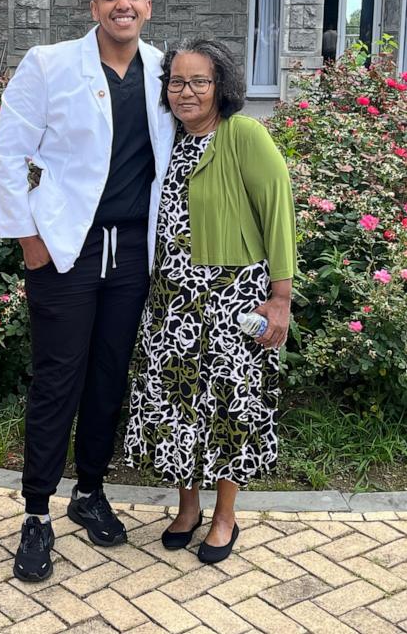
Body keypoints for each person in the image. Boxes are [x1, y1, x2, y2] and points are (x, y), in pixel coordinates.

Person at [0, 0, 175, 582]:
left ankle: (89, 492)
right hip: (66, 249)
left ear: (148, 6)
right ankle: (37, 514)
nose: (122, 4)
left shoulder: (162, 71)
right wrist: (29, 241)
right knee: (57, 380)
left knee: (107, 376)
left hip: (132, 252)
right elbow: (8, 153)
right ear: (92, 6)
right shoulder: (49, 64)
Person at [123, 38, 296, 564]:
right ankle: (187, 506)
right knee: (176, 406)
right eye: (176, 81)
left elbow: (278, 213)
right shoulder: (167, 138)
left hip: (231, 299)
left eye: (199, 81)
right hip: (173, 302)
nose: (186, 92)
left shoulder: (242, 134)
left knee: (227, 408)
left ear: (221, 87)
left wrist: (281, 299)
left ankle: (225, 517)